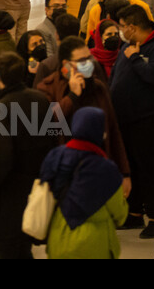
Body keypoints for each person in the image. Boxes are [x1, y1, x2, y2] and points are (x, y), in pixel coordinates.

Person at [0, 52, 56, 258]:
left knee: (5, 248)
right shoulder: (40, 99)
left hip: (7, 193)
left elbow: (1, 156)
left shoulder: (1, 109)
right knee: (23, 246)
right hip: (35, 184)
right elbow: (53, 140)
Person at [109, 5, 154, 239]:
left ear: (132, 27)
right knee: (132, 168)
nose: (120, 31)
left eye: (122, 27)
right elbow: (116, 75)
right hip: (126, 118)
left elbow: (153, 76)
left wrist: (135, 58)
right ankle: (134, 214)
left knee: (151, 169)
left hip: (150, 120)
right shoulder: (128, 46)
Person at [40, 107, 129, 259]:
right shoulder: (106, 169)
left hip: (59, 238)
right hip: (95, 244)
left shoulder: (55, 157)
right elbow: (119, 214)